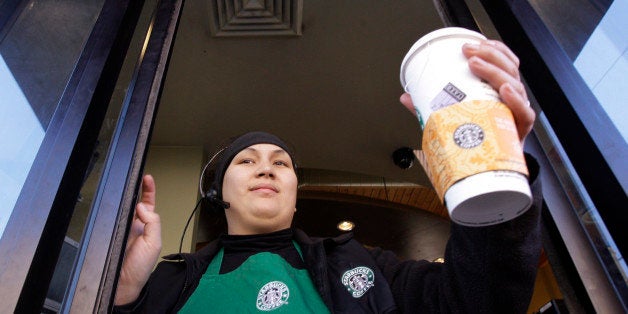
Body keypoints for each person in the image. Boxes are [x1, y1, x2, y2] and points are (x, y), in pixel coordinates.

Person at [113, 40, 541, 313]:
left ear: (295, 196)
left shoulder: (361, 265)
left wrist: (494, 172)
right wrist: (123, 292)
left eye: (281, 163)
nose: (266, 167)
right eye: (246, 161)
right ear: (217, 193)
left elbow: (477, 303)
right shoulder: (169, 283)